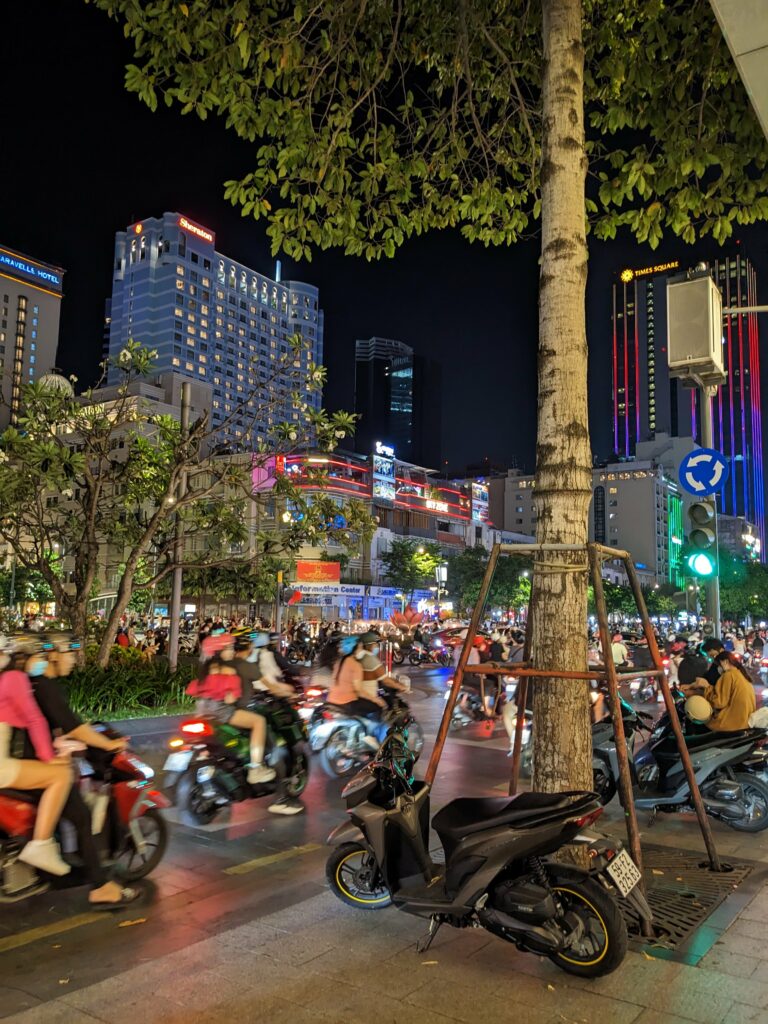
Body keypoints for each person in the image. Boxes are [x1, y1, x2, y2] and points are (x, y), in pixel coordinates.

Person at [21, 633, 141, 908]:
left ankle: (53, 870)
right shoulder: (44, 685)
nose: (74, 661)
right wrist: (109, 743)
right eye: (71, 654)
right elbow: (74, 726)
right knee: (82, 816)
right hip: (33, 767)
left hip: (31, 759)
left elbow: (49, 727)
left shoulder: (30, 683)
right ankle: (100, 887)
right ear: (53, 655)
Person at [0, 635, 73, 876]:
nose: (42, 662)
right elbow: (33, 719)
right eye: (39, 657)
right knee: (61, 775)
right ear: (24, 658)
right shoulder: (15, 678)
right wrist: (49, 757)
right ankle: (41, 844)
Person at [187, 634, 276, 784]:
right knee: (259, 721)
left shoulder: (204, 670)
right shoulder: (227, 670)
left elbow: (194, 690)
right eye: (227, 648)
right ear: (217, 651)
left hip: (203, 712)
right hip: (221, 712)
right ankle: (255, 768)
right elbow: (231, 697)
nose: (231, 651)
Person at [327, 634, 390, 748]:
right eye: (360, 647)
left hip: (331, 700)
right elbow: (359, 691)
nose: (362, 649)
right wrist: (377, 699)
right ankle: (370, 736)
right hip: (347, 703)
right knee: (378, 707)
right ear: (355, 649)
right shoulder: (356, 665)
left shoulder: (338, 662)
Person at [681, 650, 756, 732]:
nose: (717, 668)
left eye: (717, 665)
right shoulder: (741, 675)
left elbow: (719, 702)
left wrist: (706, 686)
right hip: (744, 723)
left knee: (700, 719)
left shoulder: (728, 675)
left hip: (731, 724)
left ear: (725, 662)